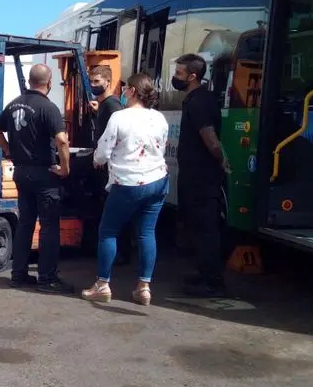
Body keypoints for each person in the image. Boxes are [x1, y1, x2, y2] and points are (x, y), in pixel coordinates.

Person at [80, 73, 170, 306]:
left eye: (125, 88)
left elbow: (102, 152)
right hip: (158, 181)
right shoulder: (159, 118)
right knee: (146, 233)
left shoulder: (119, 117)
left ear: (131, 91)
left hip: (128, 182)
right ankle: (144, 287)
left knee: (108, 231)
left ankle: (102, 284)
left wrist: (98, 160)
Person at [0, 64, 71, 293]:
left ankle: (19, 274)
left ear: (30, 80)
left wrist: (8, 151)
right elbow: (62, 141)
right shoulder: (48, 108)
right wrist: (65, 168)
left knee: (25, 223)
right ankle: (47, 279)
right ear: (49, 81)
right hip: (44, 174)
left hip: (21, 172)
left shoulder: (14, 103)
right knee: (48, 227)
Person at [172, 53, 230, 297]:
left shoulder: (199, 102)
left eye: (178, 74)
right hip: (193, 176)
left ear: (192, 76)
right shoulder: (195, 99)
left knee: (206, 229)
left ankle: (213, 281)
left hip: (202, 178)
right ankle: (204, 272)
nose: (175, 78)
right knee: (196, 227)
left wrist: (220, 159)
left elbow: (210, 138)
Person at [87, 65, 128, 264]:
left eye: (97, 81)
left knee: (111, 213)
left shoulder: (113, 106)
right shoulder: (104, 106)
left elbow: (116, 136)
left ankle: (117, 254)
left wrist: (105, 159)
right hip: (103, 166)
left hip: (109, 169)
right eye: (91, 81)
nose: (93, 85)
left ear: (108, 82)